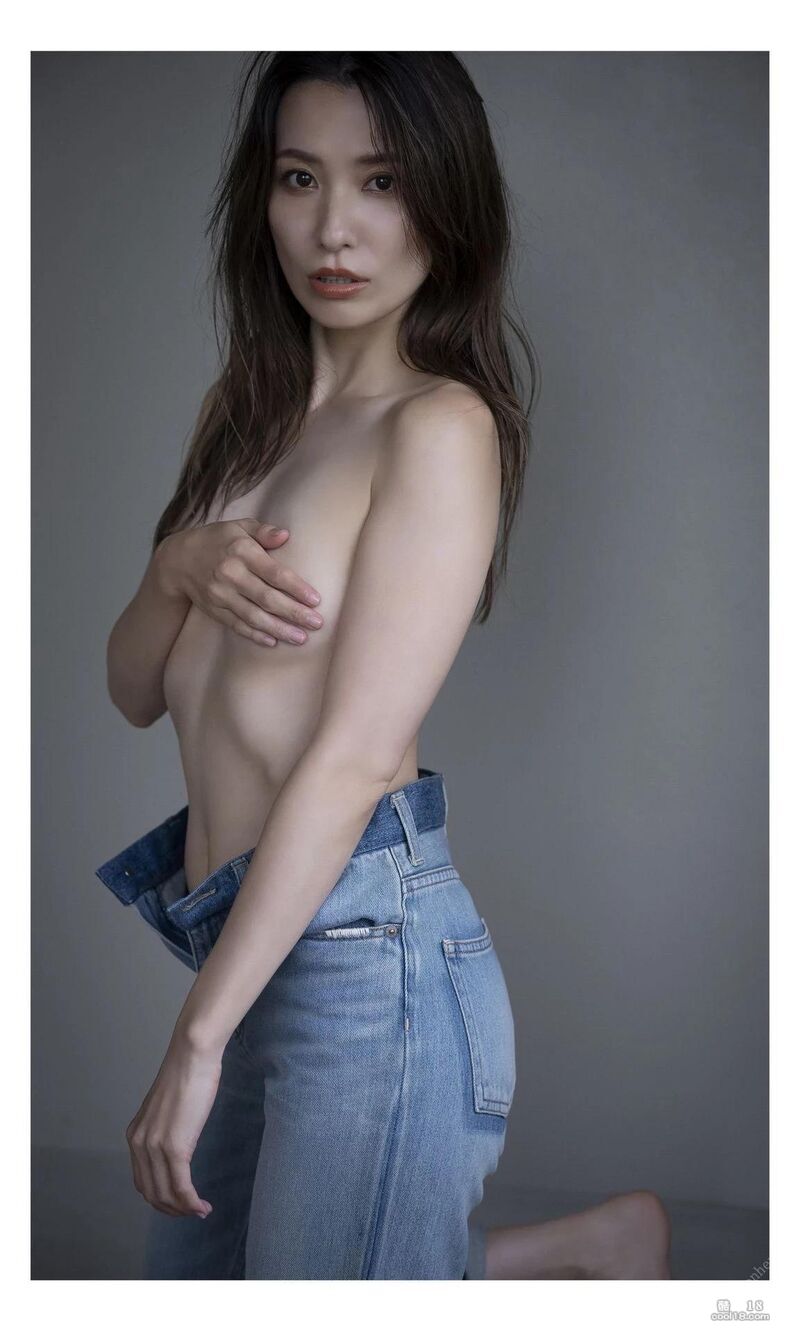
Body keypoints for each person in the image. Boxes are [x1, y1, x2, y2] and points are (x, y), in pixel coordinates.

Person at [95, 52, 671, 1280]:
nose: (333, 230)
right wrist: (175, 569)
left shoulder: (438, 427)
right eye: (299, 178)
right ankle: (582, 1249)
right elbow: (135, 690)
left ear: (443, 203)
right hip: (243, 939)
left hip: (366, 957)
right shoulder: (239, 413)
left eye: (382, 181)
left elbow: (354, 756)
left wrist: (194, 1041)